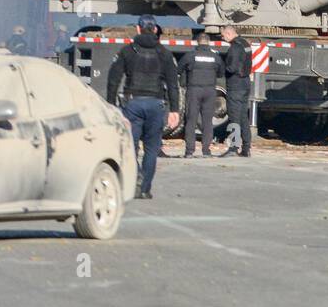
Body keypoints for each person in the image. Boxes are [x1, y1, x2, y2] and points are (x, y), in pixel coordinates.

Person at [107, 15, 179, 199]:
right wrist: (174, 110)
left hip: (133, 103)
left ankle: (136, 175)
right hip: (156, 104)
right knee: (151, 149)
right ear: (155, 29)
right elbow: (172, 84)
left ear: (138, 29)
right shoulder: (165, 53)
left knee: (130, 146)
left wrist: (110, 105)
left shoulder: (128, 51)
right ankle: (145, 188)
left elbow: (113, 79)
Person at [178, 27, 224, 158]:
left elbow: (179, 69)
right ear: (209, 42)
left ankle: (189, 151)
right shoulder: (215, 57)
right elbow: (221, 73)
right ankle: (206, 150)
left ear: (197, 42)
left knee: (191, 120)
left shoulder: (190, 55)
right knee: (207, 121)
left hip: (194, 90)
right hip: (210, 90)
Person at [221, 26, 253, 157]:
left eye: (223, 36)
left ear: (229, 34)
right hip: (245, 83)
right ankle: (246, 148)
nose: (223, 38)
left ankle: (234, 148)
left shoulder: (234, 47)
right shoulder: (245, 43)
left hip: (236, 84)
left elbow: (231, 68)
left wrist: (222, 66)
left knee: (234, 116)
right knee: (243, 117)